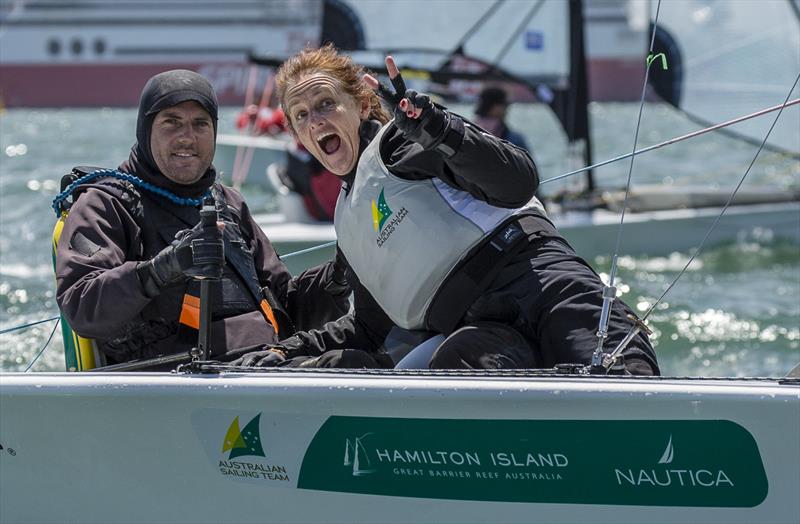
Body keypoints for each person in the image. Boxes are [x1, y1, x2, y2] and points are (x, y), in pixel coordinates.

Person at [234, 45, 658, 374]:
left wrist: (440, 129)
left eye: (326, 104)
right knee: (456, 363)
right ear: (296, 134)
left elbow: (518, 182)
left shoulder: (406, 143)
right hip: (485, 329)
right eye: (302, 115)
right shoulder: (349, 222)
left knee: (624, 393)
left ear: (362, 105)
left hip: (543, 288)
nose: (316, 122)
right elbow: (368, 329)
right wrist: (283, 351)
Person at [54, 69, 350, 369]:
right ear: (145, 129)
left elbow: (287, 305)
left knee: (363, 357)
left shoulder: (228, 203)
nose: (187, 137)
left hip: (262, 368)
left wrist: (341, 274)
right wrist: (164, 268)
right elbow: (81, 307)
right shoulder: (105, 204)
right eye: (172, 122)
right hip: (176, 387)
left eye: (200, 124)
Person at [473, 86, 529, 151]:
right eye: (505, 105)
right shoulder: (514, 139)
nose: (507, 109)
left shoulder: (469, 130)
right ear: (495, 106)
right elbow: (526, 160)